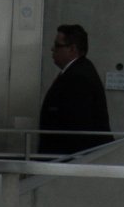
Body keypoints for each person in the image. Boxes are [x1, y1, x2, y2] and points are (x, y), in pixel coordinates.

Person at [38, 23, 111, 156]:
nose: (52, 49)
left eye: (57, 45)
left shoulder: (79, 78)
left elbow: (78, 127)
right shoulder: (76, 72)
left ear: (72, 49)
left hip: (68, 157)